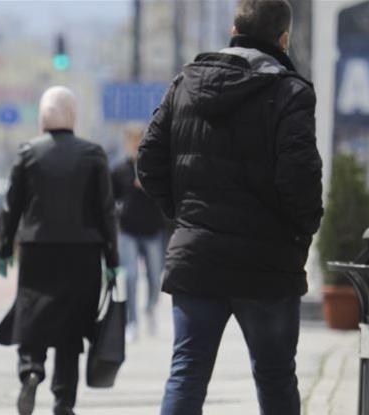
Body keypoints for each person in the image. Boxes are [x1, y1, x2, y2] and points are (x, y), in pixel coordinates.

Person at [136, 1, 323, 414]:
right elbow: (301, 180)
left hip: (197, 258)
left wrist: (185, 219)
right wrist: (301, 234)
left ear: (233, 27)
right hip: (268, 264)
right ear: (283, 39)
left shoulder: (185, 84)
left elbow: (148, 163)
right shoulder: (290, 93)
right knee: (275, 377)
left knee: (186, 373)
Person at [0, 86, 120, 415]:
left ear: (41, 118)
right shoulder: (93, 154)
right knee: (73, 326)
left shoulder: (28, 152)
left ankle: (31, 369)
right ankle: (63, 400)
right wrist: (112, 260)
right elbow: (106, 211)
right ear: (73, 116)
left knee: (32, 314)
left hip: (37, 249)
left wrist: (4, 248)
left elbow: (12, 206)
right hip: (84, 253)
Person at [111, 126, 166, 341]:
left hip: (153, 230)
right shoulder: (119, 170)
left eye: (139, 140)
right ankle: (131, 321)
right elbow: (109, 198)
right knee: (131, 276)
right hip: (128, 232)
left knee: (155, 277)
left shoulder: (155, 168)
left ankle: (150, 309)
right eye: (132, 141)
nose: (136, 145)